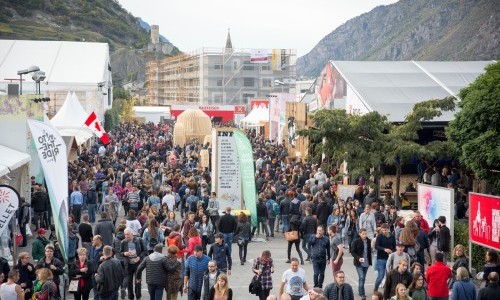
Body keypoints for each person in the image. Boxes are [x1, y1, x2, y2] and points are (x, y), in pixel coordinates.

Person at [120, 228, 147, 300]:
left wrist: (139, 257)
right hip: (128, 264)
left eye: (127, 234)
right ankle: (130, 297)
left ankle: (138, 296)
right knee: (129, 281)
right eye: (125, 234)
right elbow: (120, 252)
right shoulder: (123, 242)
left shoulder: (139, 240)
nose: (126, 236)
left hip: (137, 264)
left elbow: (145, 251)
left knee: (137, 280)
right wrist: (124, 253)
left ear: (132, 233)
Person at [351, 228, 372, 300]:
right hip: (359, 263)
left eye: (365, 234)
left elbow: (369, 251)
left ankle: (360, 289)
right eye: (363, 234)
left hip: (366, 262)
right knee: (362, 277)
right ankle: (362, 293)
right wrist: (358, 258)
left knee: (362, 278)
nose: (364, 235)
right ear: (359, 234)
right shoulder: (356, 241)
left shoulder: (369, 241)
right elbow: (352, 252)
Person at [374, 224, 395, 291]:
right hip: (381, 258)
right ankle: (376, 288)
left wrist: (392, 251)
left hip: (389, 258)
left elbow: (394, 246)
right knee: (381, 275)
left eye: (385, 230)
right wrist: (384, 249)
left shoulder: (392, 236)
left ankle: (387, 290)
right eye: (383, 230)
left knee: (388, 275)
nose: (384, 231)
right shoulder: (379, 236)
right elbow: (376, 246)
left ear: (388, 229)